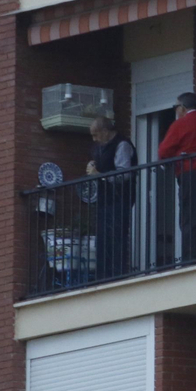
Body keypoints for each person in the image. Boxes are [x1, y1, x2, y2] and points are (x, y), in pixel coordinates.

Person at [158, 92, 196, 263]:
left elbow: (164, 151)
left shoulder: (180, 124)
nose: (175, 111)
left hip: (189, 173)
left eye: (176, 107)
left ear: (183, 108)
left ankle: (189, 259)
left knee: (189, 217)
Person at [87, 117, 137, 281]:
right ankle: (103, 276)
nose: (94, 139)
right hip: (104, 199)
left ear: (105, 131)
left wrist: (100, 176)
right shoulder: (100, 146)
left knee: (116, 236)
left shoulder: (122, 144)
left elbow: (124, 173)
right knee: (102, 238)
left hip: (119, 198)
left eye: (96, 135)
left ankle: (117, 274)